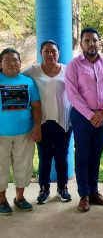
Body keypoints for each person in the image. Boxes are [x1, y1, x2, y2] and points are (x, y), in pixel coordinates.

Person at [65, 28, 103, 212]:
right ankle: (84, 195)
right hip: (82, 117)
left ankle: (94, 192)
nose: (91, 44)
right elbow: (72, 94)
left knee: (95, 155)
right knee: (82, 155)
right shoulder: (74, 65)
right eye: (87, 40)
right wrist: (90, 115)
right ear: (81, 44)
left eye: (94, 40)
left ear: (100, 43)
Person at [24, 40, 73, 204]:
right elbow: (16, 78)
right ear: (41, 53)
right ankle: (44, 189)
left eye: (53, 51)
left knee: (61, 156)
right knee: (44, 157)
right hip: (42, 121)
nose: (50, 54)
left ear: (58, 52)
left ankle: (62, 188)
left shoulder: (67, 70)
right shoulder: (33, 70)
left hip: (63, 121)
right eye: (46, 51)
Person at [0, 48, 42, 215]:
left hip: (24, 134)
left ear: (20, 63)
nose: (12, 63)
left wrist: (37, 126)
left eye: (15, 60)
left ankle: (20, 198)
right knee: (0, 168)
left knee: (23, 167)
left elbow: (36, 106)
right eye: (7, 60)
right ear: (1, 64)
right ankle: (2, 200)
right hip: (1, 135)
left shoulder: (28, 82)